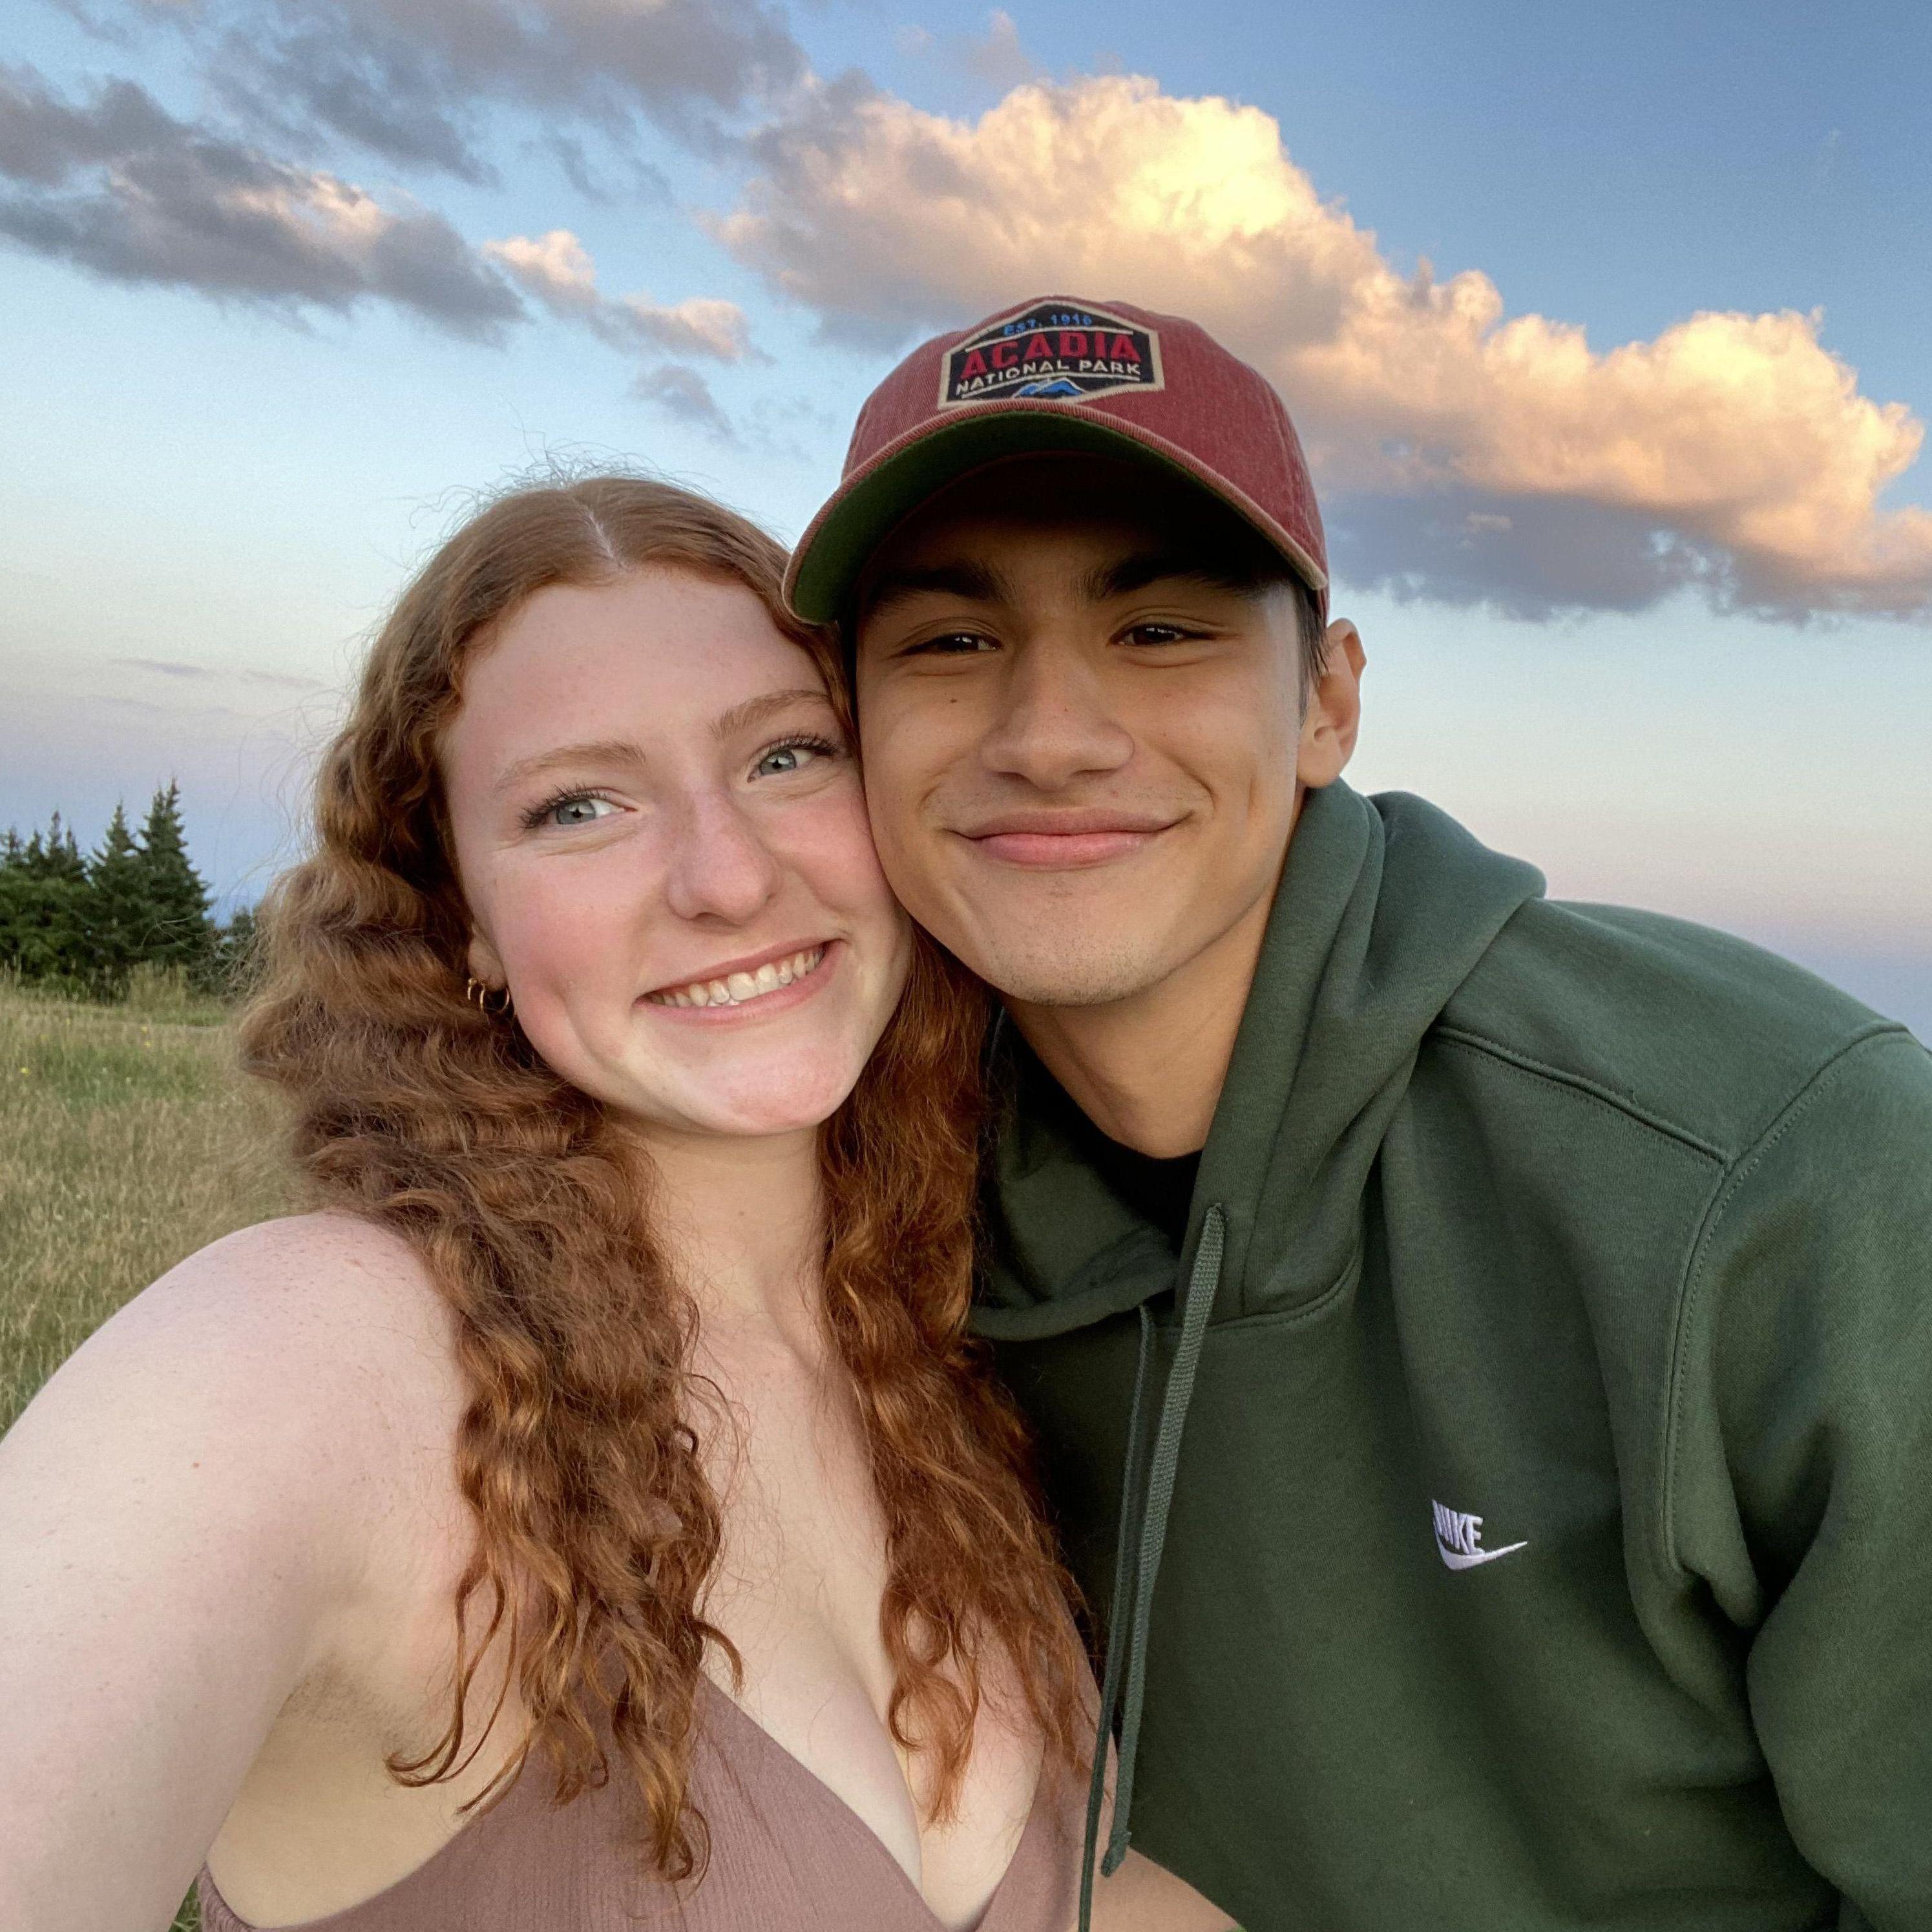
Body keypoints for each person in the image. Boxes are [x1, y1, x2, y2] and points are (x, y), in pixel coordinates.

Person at [785, 295, 1932, 1932]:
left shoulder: (1774, 1168)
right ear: (849, 723)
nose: (1048, 736)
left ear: (1325, 703)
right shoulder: (842, 1198)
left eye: (1160, 630)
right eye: (950, 644)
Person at [0, 476, 1232, 1932]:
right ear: (460, 918)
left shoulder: (942, 1350)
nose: (727, 877)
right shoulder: (315, 1356)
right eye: (578, 806)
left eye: (787, 755)